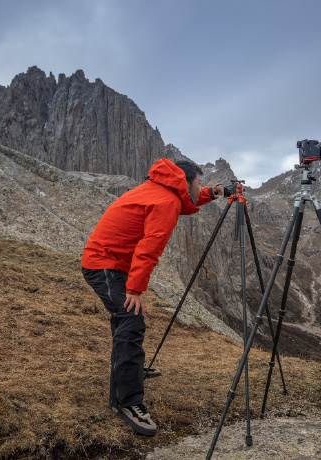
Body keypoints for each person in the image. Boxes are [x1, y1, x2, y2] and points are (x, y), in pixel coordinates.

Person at [81, 158, 223, 436]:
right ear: (185, 180)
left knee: (126, 322)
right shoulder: (166, 202)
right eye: (200, 183)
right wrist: (135, 290)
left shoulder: (161, 190)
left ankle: (128, 369)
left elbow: (186, 200)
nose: (201, 186)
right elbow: (149, 248)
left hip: (109, 262)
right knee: (131, 319)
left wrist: (210, 194)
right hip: (104, 266)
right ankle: (126, 402)